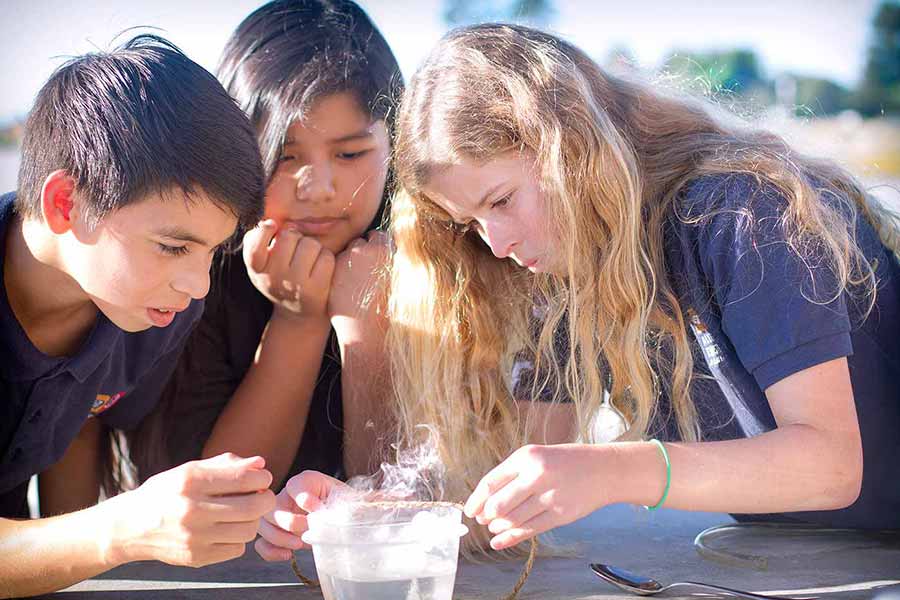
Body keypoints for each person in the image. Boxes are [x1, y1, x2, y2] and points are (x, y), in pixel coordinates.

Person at [255, 23, 900, 561]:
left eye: (501, 201)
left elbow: (832, 465)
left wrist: (611, 470)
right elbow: (509, 492)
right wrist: (366, 513)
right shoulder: (566, 275)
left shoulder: (742, 214)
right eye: (472, 225)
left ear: (571, 147)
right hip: (821, 560)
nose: (497, 243)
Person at [0, 36, 275, 597]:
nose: (197, 285)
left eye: (213, 253)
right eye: (174, 247)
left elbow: (79, 416)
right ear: (65, 205)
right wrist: (121, 527)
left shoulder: (151, 309)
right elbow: (100, 530)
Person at [130, 0, 403, 521]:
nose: (319, 189)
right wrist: (297, 319)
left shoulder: (433, 258)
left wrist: (367, 329)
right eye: (284, 155)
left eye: (349, 155)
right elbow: (215, 500)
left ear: (395, 145)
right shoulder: (192, 269)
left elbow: (407, 493)